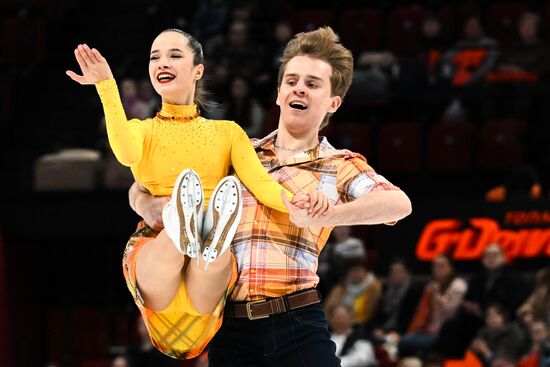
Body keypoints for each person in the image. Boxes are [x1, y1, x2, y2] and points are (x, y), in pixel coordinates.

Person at [132, 26, 412, 366]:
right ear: (279, 92)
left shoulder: (338, 164)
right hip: (230, 323)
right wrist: (145, 203)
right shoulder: (236, 151)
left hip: (296, 318)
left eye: (312, 84)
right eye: (292, 80)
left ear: (333, 103)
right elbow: (146, 184)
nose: (299, 89)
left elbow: (398, 204)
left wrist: (329, 215)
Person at [66, 29, 326, 359]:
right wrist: (106, 85)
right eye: (155, 56)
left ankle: (204, 227)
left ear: (198, 70)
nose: (162, 62)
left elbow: (263, 186)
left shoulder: (228, 133)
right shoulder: (141, 131)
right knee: (180, 246)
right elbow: (124, 152)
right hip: (160, 246)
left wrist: (294, 201)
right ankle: (185, 222)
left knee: (212, 256)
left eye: (174, 55)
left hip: (200, 276)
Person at [399, 254, 467, 357]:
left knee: (405, 342)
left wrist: (437, 295)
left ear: (451, 268)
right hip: (427, 330)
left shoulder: (458, 285)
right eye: (435, 266)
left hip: (445, 333)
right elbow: (422, 311)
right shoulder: (431, 285)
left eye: (441, 266)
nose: (437, 269)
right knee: (402, 341)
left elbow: (450, 312)